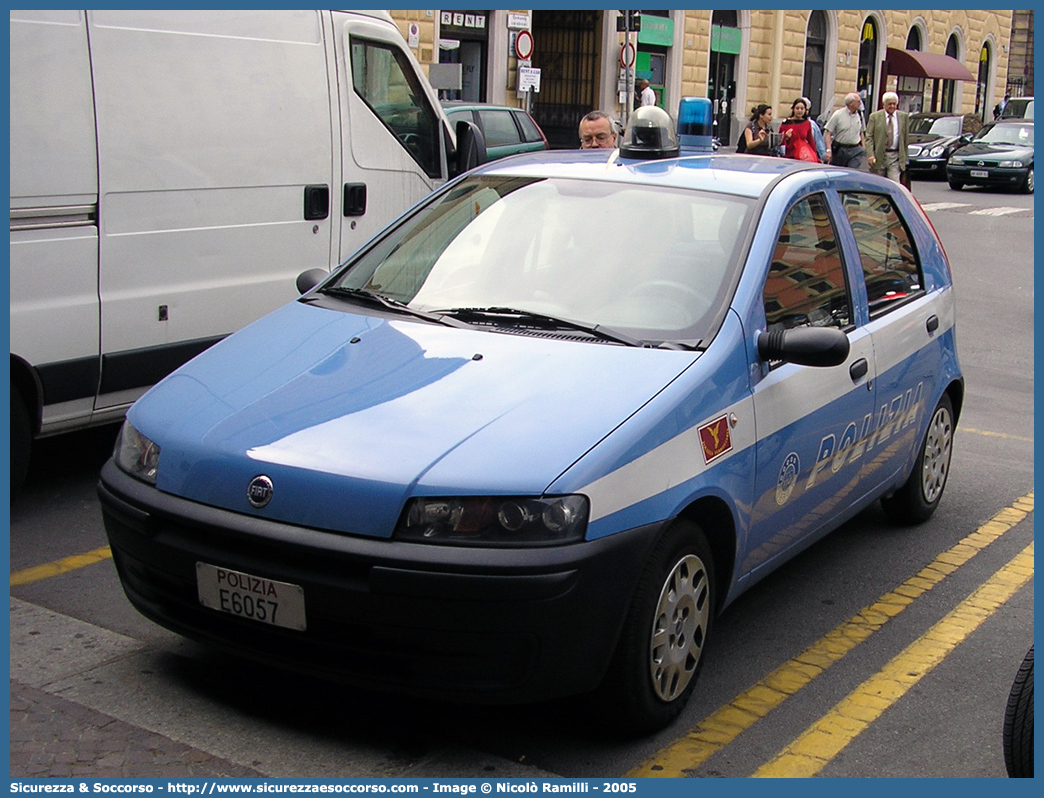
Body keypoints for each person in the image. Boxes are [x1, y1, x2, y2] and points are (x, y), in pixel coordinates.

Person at [865, 91, 909, 183]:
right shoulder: (875, 117)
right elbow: (869, 137)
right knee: (878, 184)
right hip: (879, 156)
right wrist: (870, 155)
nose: (892, 106)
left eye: (894, 104)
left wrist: (905, 158)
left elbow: (905, 139)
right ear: (884, 104)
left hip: (895, 157)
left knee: (894, 184)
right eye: (890, 104)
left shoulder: (903, 117)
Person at [824, 92, 867, 169]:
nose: (860, 103)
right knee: (838, 172)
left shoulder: (860, 115)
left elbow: (861, 132)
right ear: (851, 103)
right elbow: (828, 133)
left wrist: (863, 148)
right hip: (840, 149)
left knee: (852, 173)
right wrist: (828, 150)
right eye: (858, 101)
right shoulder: (838, 114)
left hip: (855, 149)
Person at [778, 98, 820, 162]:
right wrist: (786, 137)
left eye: (802, 108)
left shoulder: (807, 123)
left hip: (802, 156)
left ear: (805, 110)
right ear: (793, 109)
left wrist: (814, 155)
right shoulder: (786, 123)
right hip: (789, 156)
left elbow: (811, 140)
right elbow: (779, 142)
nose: (799, 111)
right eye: (797, 108)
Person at [802, 96, 828, 161]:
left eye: (804, 109)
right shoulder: (790, 122)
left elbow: (819, 141)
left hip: (808, 156)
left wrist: (823, 156)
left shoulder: (812, 124)